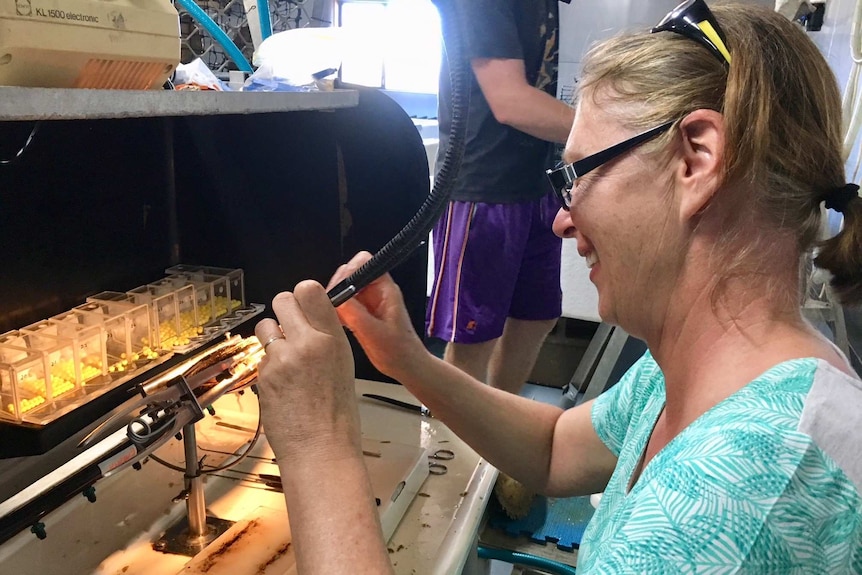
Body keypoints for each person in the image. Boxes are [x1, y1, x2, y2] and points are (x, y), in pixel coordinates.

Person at [254, 0, 862, 572]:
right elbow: (553, 447)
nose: (560, 218)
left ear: (695, 160)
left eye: (578, 173)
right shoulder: (719, 374)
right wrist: (407, 358)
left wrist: (317, 440)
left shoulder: (734, 500)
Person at [427, 0, 575, 393]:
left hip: (539, 182)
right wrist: (616, 133)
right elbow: (509, 101)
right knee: (474, 335)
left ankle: (500, 424)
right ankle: (453, 446)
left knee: (536, 316)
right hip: (484, 189)